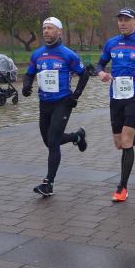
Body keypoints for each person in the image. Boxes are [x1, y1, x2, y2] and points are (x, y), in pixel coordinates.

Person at [92, 9, 135, 202]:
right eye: (120, 20)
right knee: (119, 143)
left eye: (126, 20)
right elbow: (99, 65)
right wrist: (101, 73)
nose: (122, 23)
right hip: (116, 96)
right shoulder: (111, 43)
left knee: (127, 140)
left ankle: (122, 187)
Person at [23, 17, 89, 196]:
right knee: (49, 141)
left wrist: (76, 95)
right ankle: (77, 137)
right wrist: (26, 85)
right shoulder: (37, 54)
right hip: (44, 103)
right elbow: (29, 74)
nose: (46, 31)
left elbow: (84, 74)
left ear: (59, 31)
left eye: (50, 28)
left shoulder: (68, 54)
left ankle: (48, 183)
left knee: (53, 141)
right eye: (44, 28)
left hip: (63, 102)